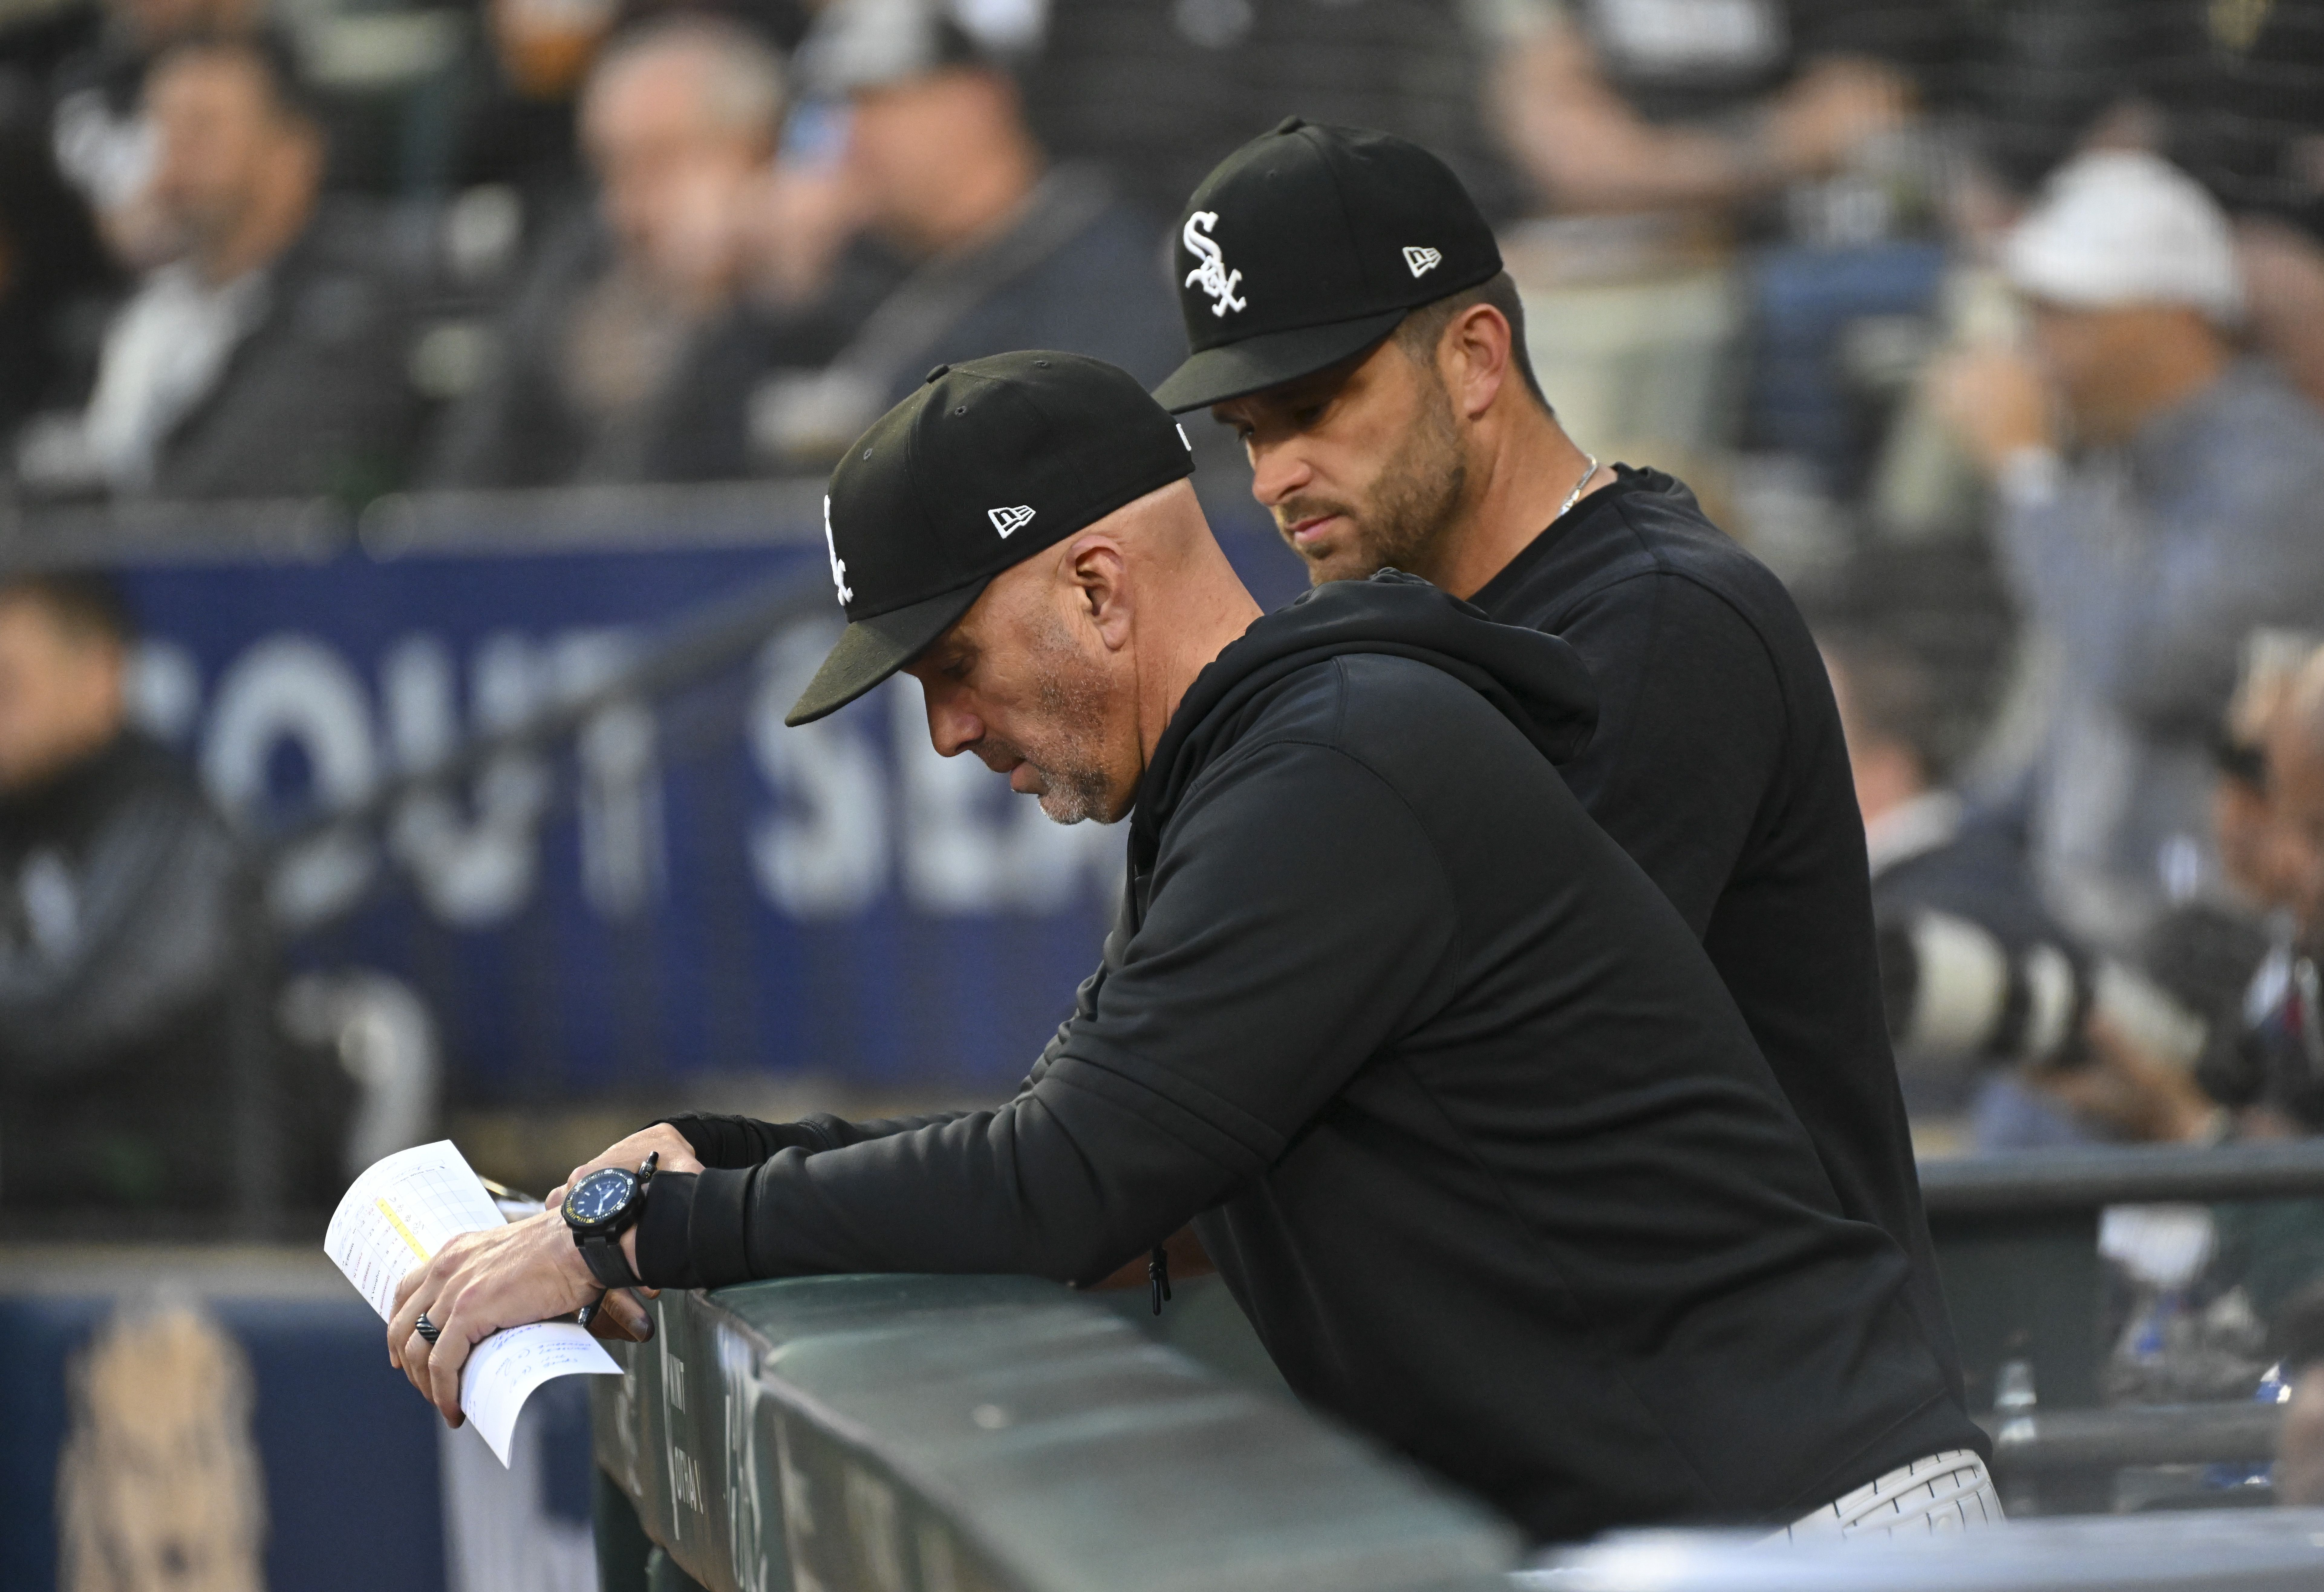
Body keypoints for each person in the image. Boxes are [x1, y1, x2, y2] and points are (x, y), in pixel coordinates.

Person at [386, 351, 1992, 1545]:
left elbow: (1061, 1183)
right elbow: (1075, 1173)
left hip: (1800, 1527)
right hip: (1707, 1519)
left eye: (952, 664)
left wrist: (636, 1233)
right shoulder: (1261, 771)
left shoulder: (1333, 766)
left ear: (1094, 587)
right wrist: (726, 1163)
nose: (948, 734)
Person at [1152, 119, 1967, 1417]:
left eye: (1310, 406)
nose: (1270, 476)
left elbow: (1440, 1084)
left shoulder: (1657, 625)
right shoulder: (1412, 647)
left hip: (1793, 1468)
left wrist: (1078, 1179)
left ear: (1474, 356)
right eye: (1246, 430)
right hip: (1636, 1449)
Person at [1932, 151, 2324, 955]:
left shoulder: (2285, 472)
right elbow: (2056, 730)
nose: (2032, 351)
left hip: (2196, 931)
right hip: (2062, 901)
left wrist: (2024, 470)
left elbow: (2148, 665)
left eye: (2063, 316)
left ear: (2174, 320)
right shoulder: (2114, 461)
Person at [0, 572, 338, 1218]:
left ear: (99, 676)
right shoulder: (17, 817)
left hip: (168, 1183)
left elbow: (65, 1009)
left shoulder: (167, 822)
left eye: (9, 686)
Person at [746, 0, 1182, 468]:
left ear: (981, 98)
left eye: (885, 102)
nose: (858, 136)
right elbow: (707, 451)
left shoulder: (1101, 256)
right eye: (846, 111)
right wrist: (776, 298)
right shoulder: (855, 267)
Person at [17, 32, 425, 501]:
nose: (175, 158)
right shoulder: (135, 312)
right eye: (163, 129)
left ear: (292, 154)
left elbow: (242, 490)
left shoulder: (348, 300)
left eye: (202, 130)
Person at [424, 16, 829, 487]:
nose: (623, 207)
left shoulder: (828, 281)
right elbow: (467, 473)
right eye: (609, 169)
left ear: (760, 151)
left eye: (657, 161)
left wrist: (719, 310)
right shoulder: (583, 260)